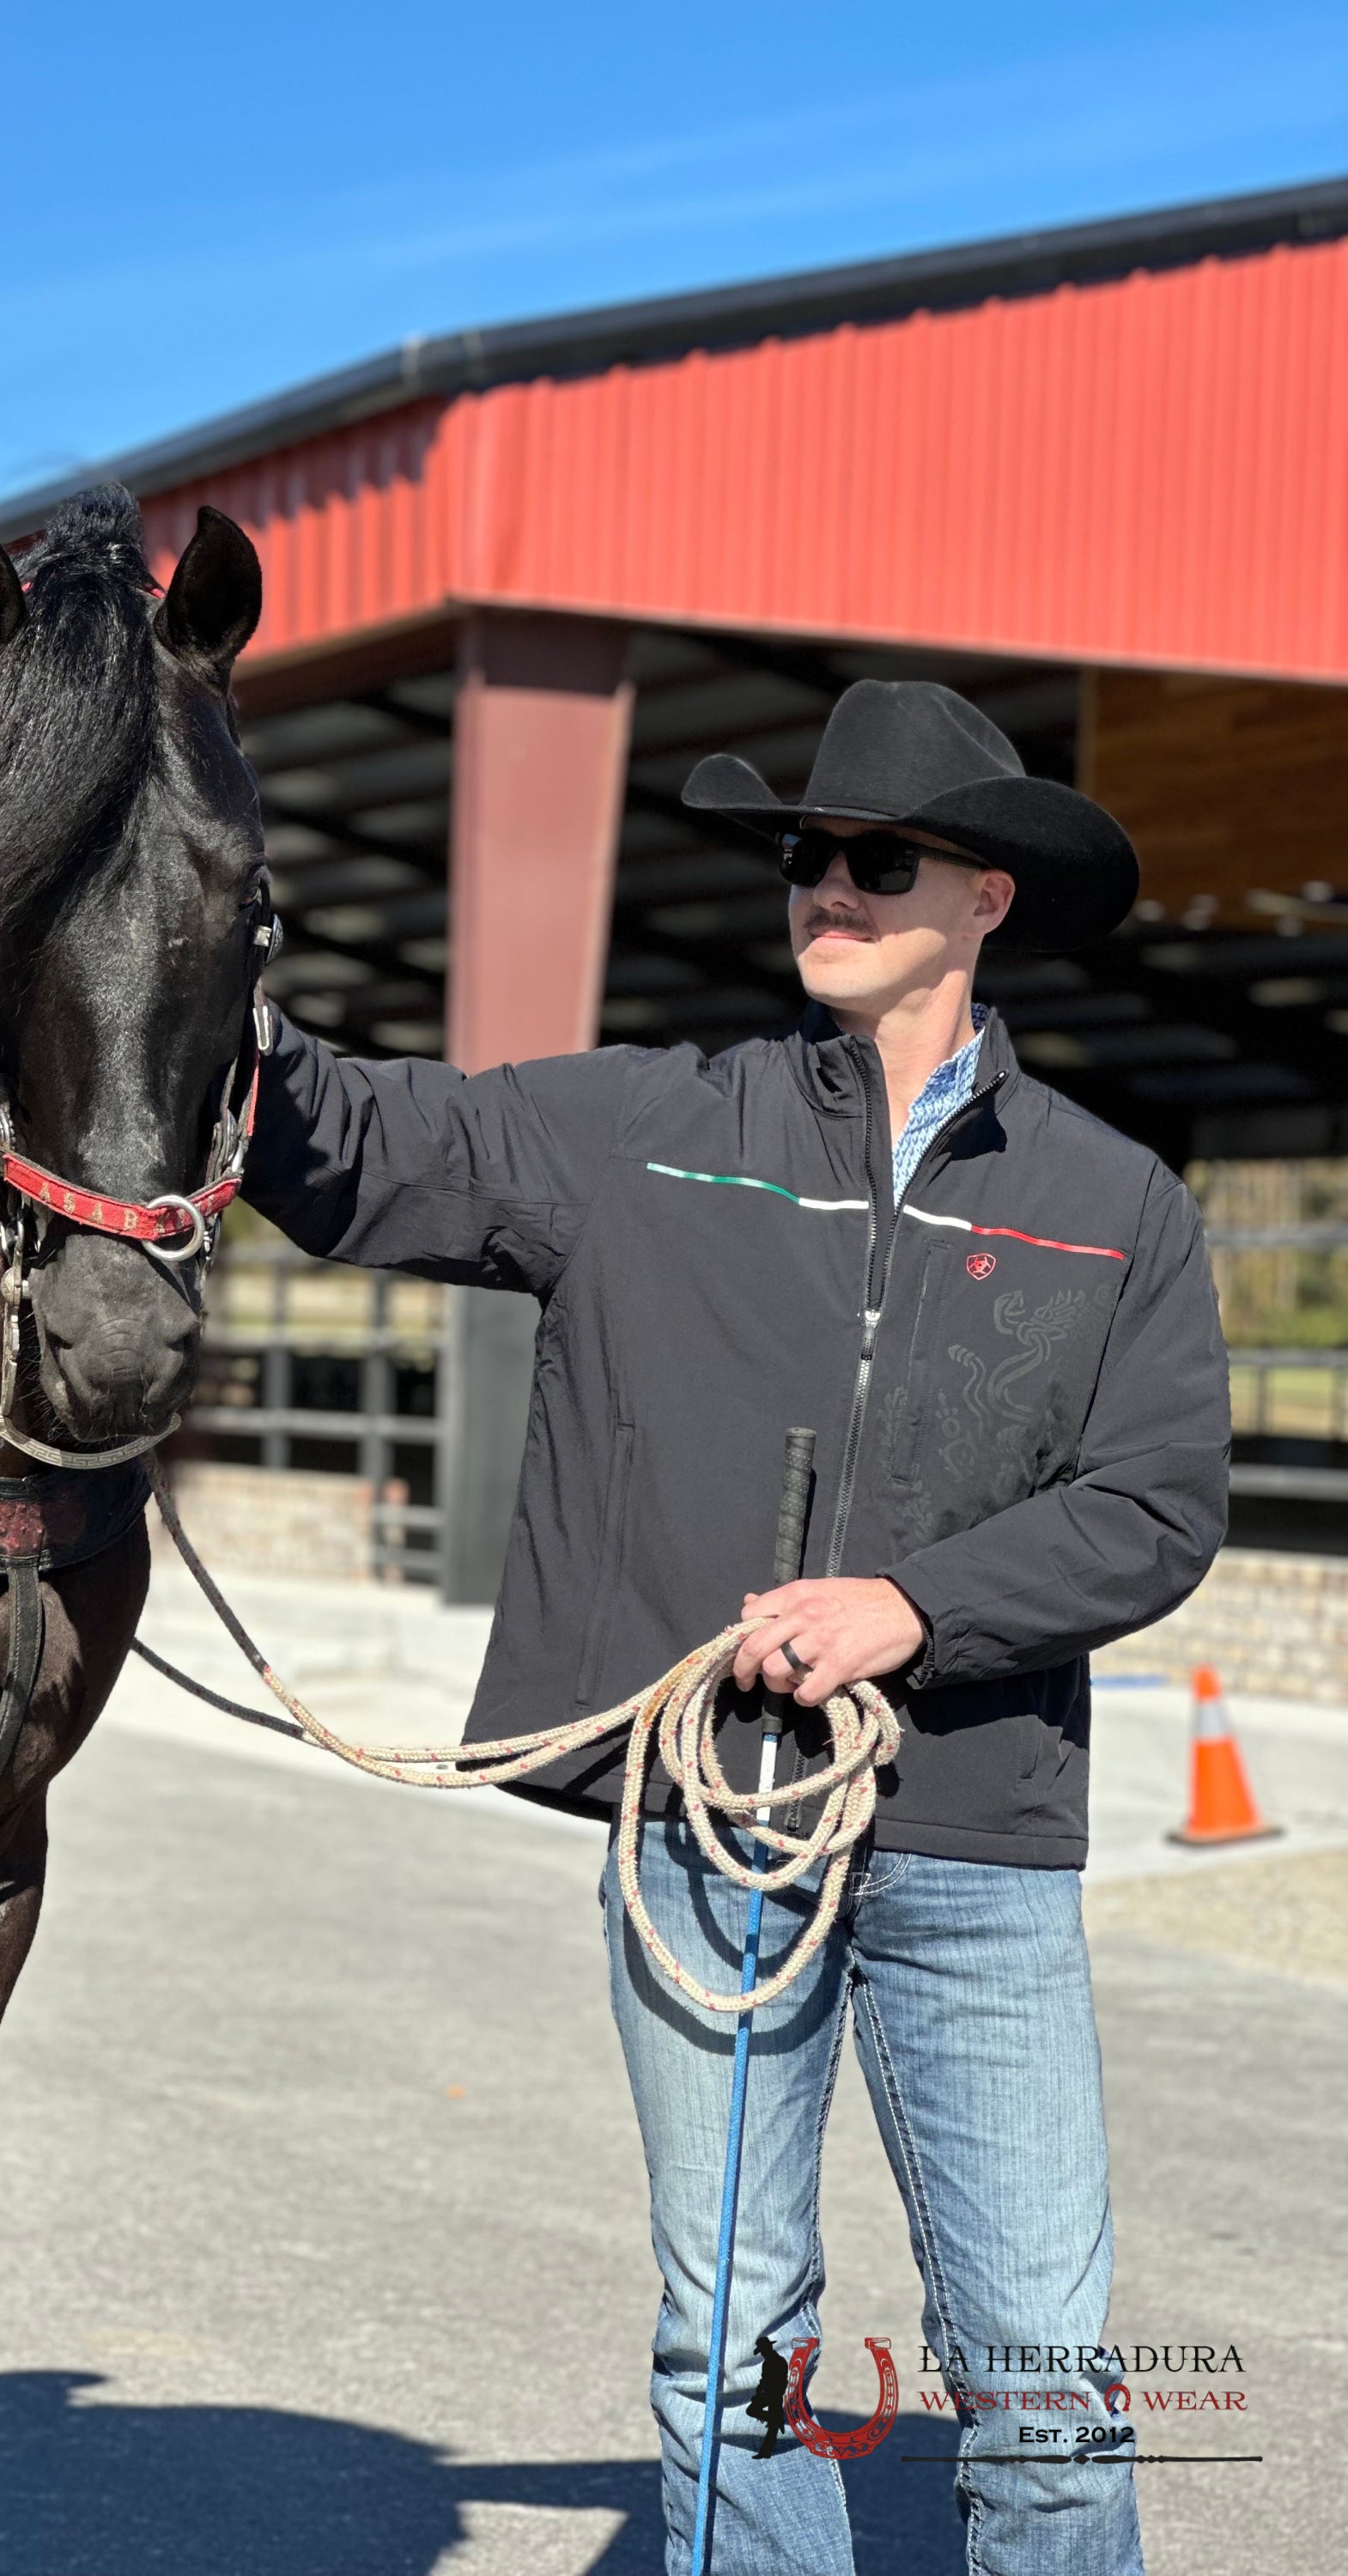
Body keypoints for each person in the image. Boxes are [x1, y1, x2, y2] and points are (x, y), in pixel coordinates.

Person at [243, 678, 1228, 2575]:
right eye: (804, 858)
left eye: (875, 860)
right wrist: (192, 978)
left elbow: (1157, 1506)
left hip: (977, 1845)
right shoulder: (648, 1128)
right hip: (710, 1838)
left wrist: (916, 1607)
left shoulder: (1120, 1207)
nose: (825, 891)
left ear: (988, 899)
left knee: (1041, 2371)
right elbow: (360, 1144)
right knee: (736, 2353)